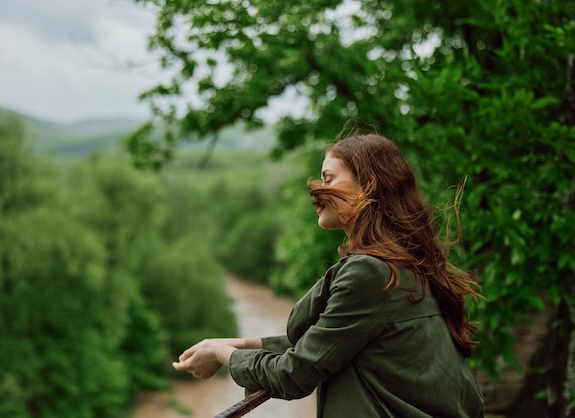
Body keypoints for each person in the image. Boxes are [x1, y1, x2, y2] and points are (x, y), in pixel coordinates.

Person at [173, 133, 485, 417]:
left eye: (328, 178)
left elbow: (294, 374)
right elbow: (335, 339)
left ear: (368, 185)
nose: (315, 191)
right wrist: (239, 343)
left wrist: (223, 355)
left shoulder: (370, 271)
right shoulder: (407, 261)